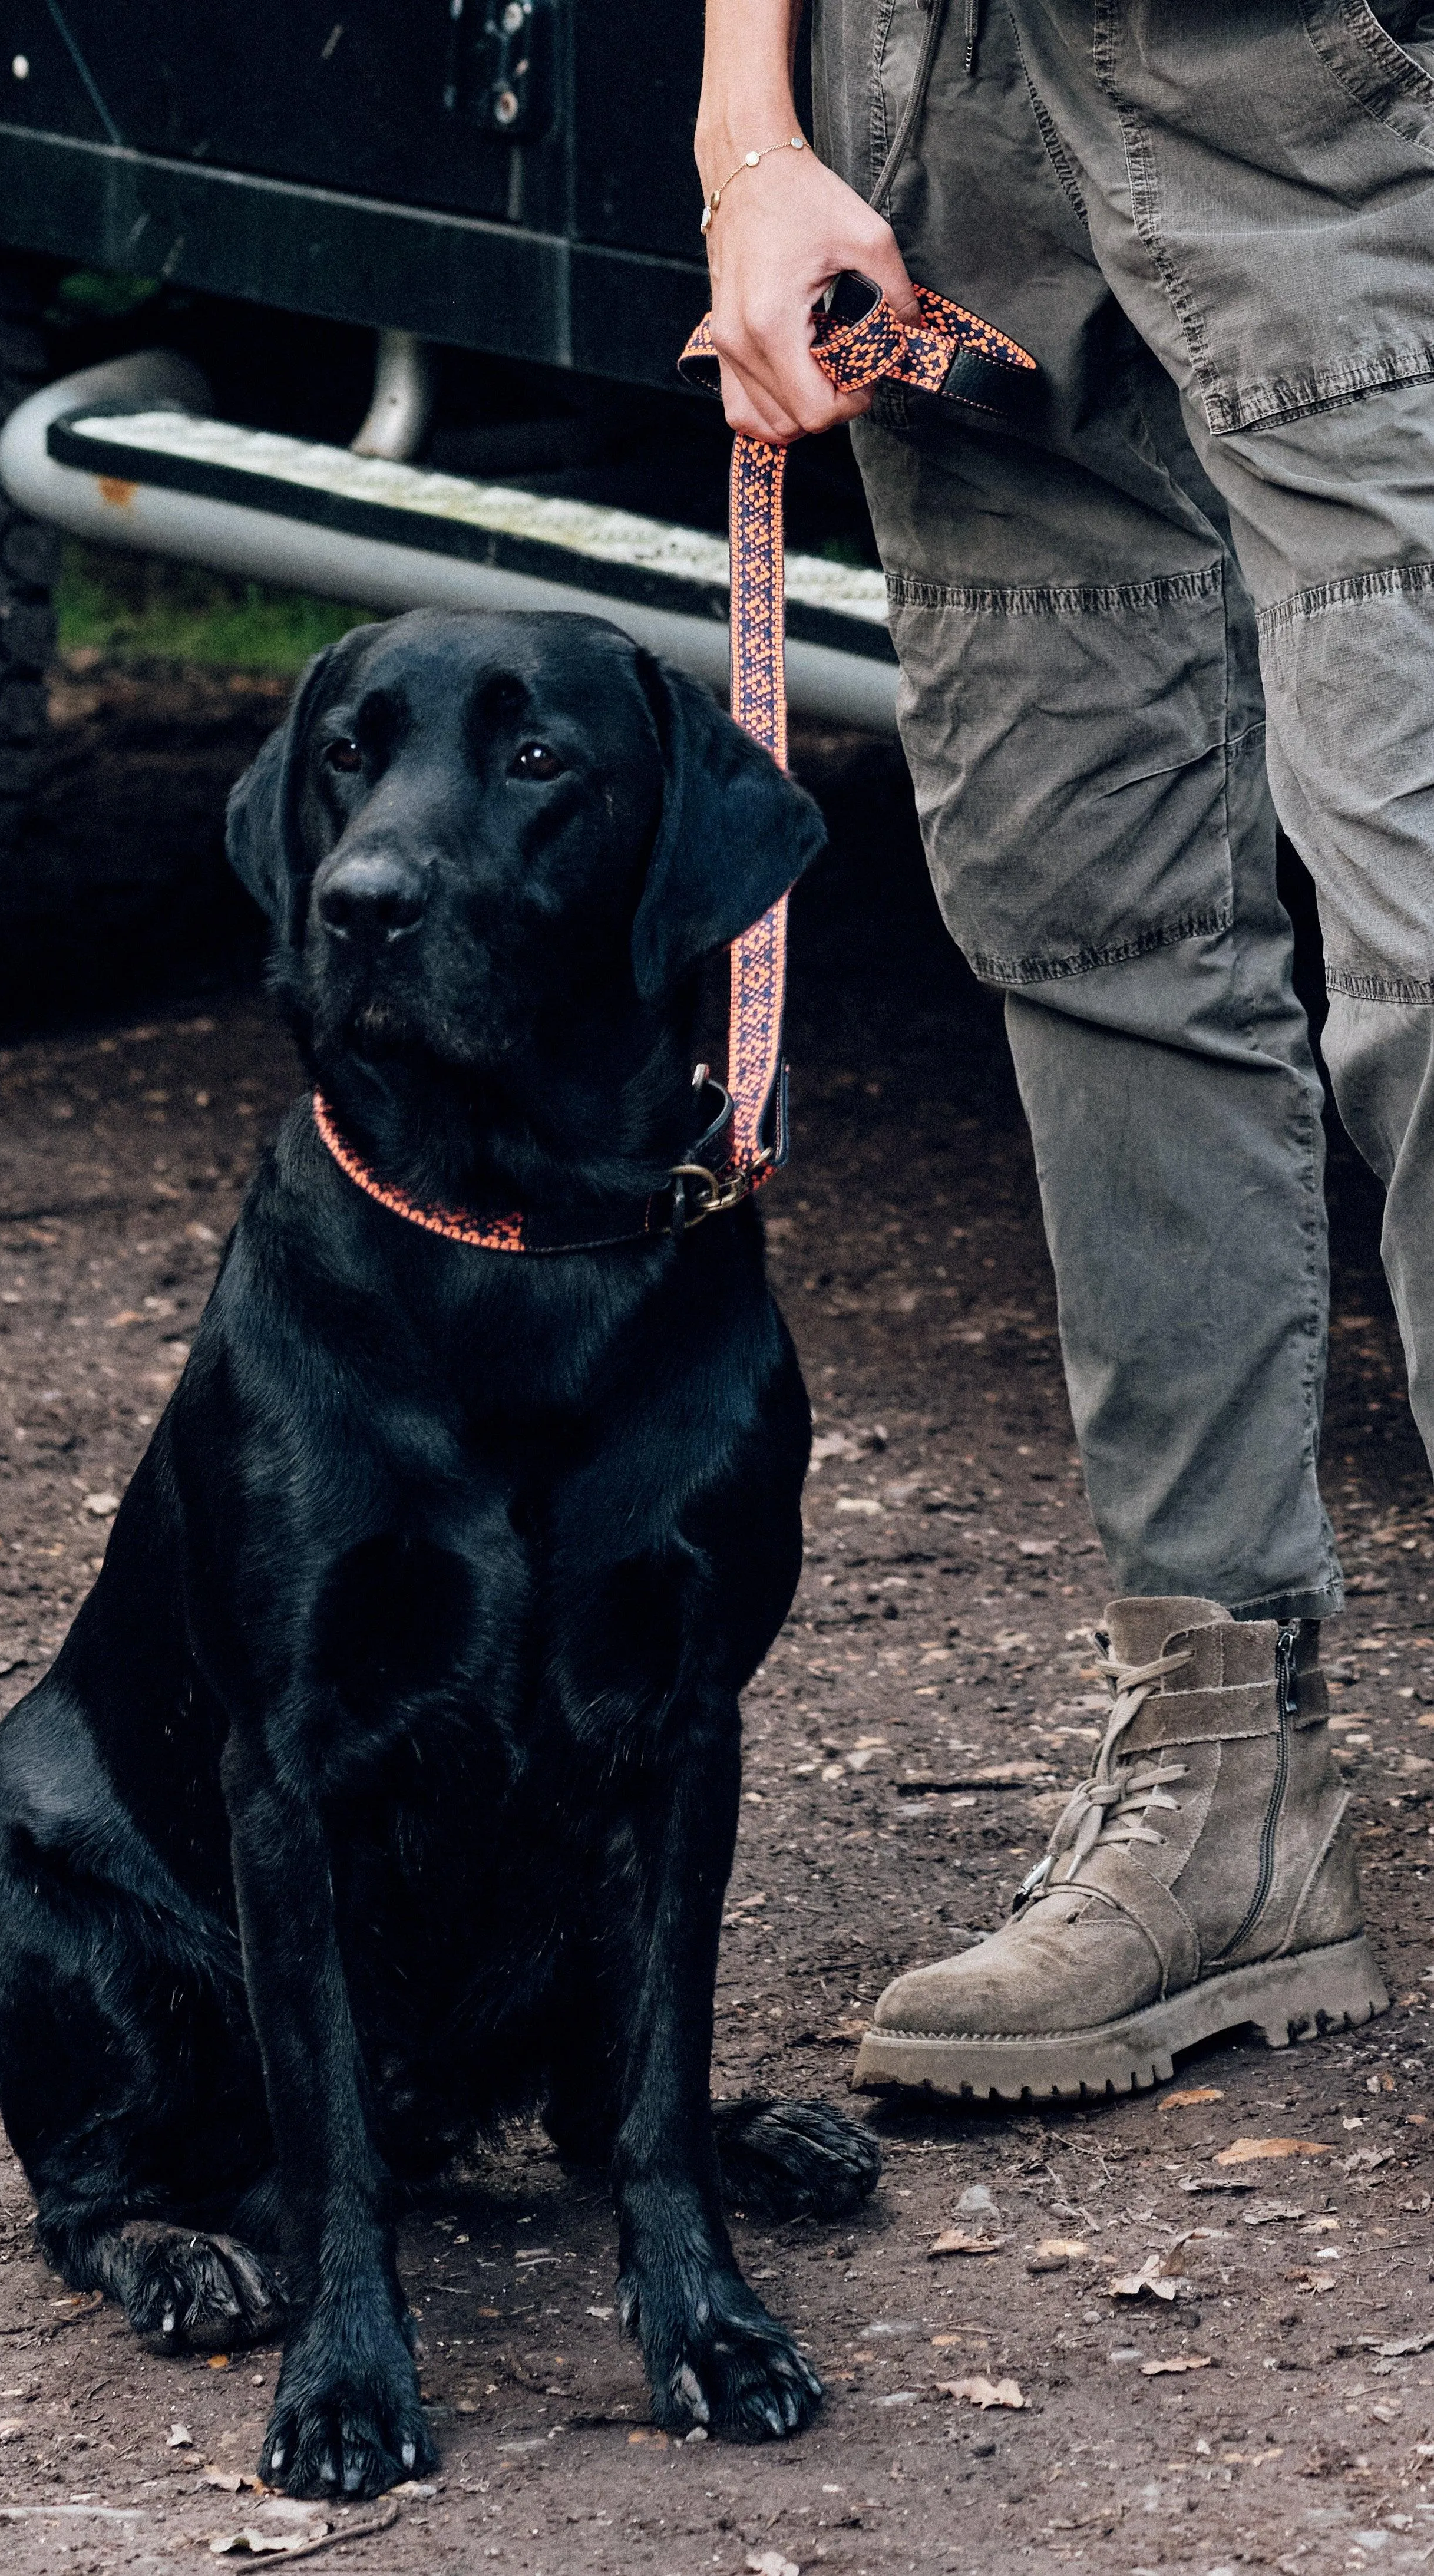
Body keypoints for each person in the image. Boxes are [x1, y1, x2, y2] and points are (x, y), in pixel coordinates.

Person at [695, 0, 1433, 2098]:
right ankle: (1228, 1806)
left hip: (1319, 92)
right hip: (931, 133)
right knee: (1091, 922)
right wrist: (752, 135)